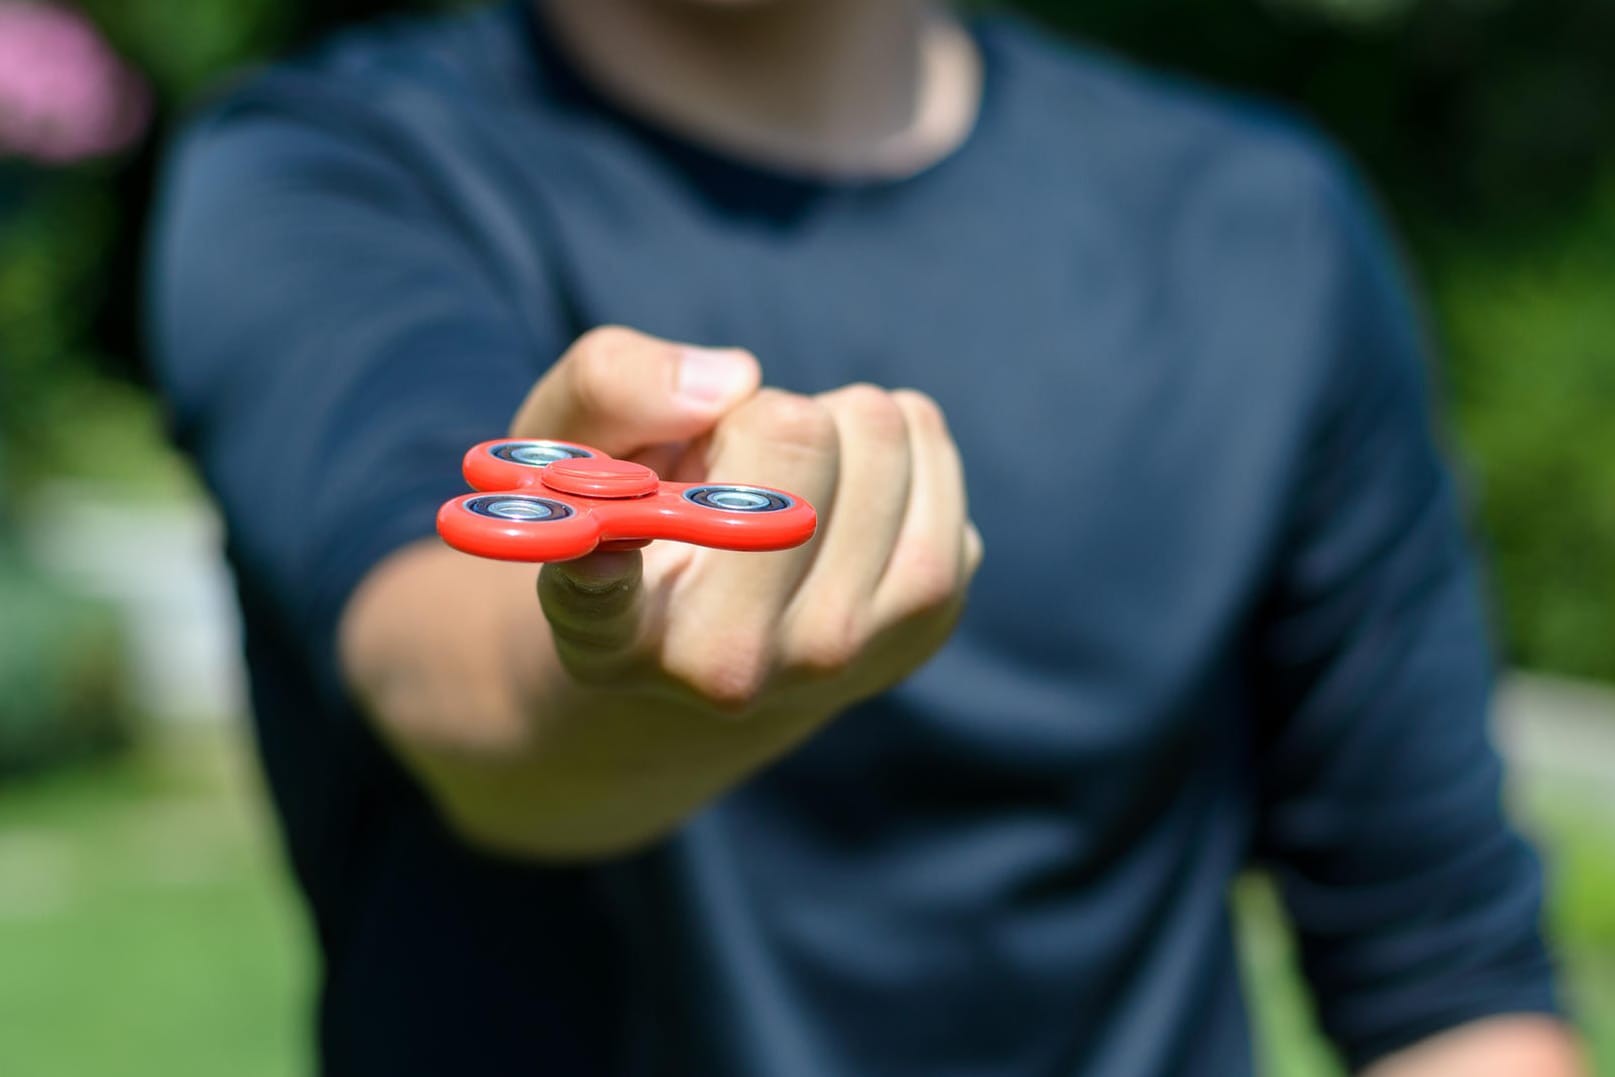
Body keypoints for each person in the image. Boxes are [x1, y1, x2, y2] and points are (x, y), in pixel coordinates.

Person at [146, 1, 1585, 1073]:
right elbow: (452, 690)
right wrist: (619, 654)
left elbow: (1446, 973)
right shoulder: (330, 171)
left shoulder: (1264, 228)